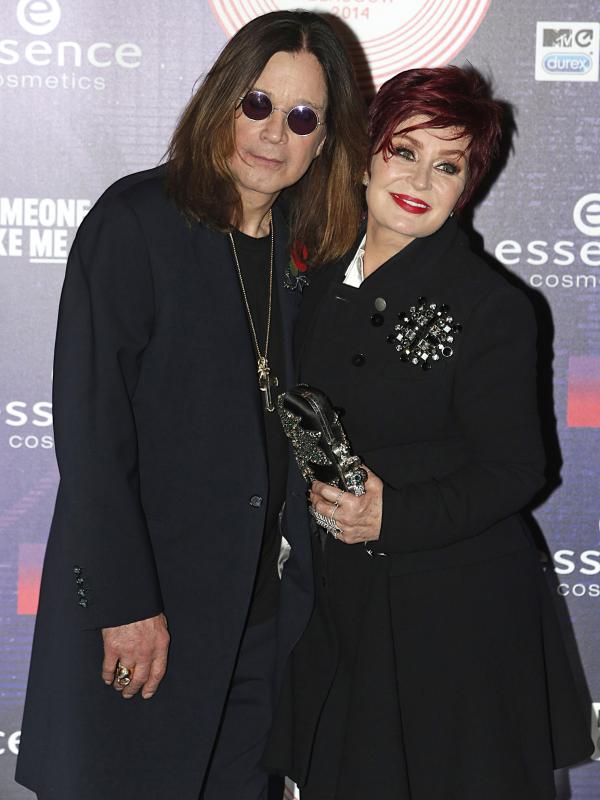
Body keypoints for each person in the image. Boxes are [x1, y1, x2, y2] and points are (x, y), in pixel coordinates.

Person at [15, 11, 366, 800]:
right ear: (221, 100)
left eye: (302, 117)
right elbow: (93, 435)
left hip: (261, 624)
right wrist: (127, 604)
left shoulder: (309, 250)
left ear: (324, 141)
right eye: (258, 104)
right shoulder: (135, 221)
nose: (274, 133)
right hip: (149, 618)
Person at [264, 66, 593, 799]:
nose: (420, 177)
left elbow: (517, 470)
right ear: (369, 154)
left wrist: (394, 513)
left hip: (452, 617)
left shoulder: (492, 305)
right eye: (404, 150)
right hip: (334, 606)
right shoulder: (309, 278)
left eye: (447, 165)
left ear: (467, 185)